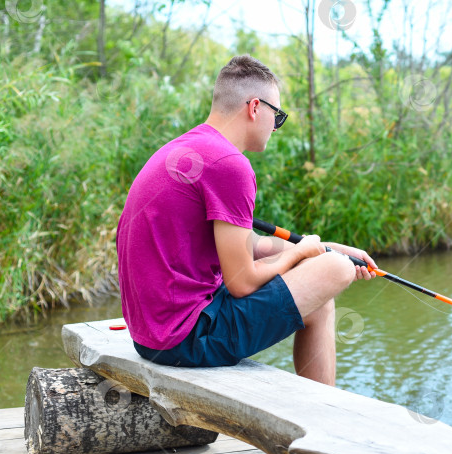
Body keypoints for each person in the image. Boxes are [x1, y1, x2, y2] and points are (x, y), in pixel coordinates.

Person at [116, 55, 376, 386]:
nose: (276, 126)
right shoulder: (229, 164)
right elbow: (241, 282)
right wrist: (301, 255)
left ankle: (319, 416)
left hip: (152, 335)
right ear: (255, 107)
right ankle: (322, 420)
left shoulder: (191, 147)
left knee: (320, 298)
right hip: (182, 339)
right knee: (337, 270)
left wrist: (321, 247)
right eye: (277, 116)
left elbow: (249, 245)